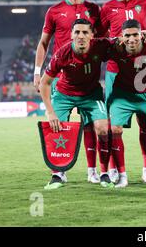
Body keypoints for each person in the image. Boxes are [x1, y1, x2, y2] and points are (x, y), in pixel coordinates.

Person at [33, 0, 103, 184]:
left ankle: (93, 171)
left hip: (87, 74)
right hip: (61, 73)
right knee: (58, 124)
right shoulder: (54, 11)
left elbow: (102, 40)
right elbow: (44, 43)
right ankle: (59, 171)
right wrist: (37, 72)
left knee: (91, 125)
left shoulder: (94, 10)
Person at [39, 19, 113, 189]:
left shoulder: (100, 46)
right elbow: (44, 83)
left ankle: (104, 173)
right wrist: (50, 112)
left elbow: (119, 41)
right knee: (55, 127)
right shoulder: (62, 53)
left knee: (103, 128)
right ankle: (57, 174)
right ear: (71, 34)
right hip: (64, 94)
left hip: (91, 94)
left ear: (92, 35)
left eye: (85, 32)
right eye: (77, 32)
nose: (81, 36)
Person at [100, 0, 146, 183]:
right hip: (116, 69)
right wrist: (113, 44)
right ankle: (114, 167)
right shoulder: (107, 8)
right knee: (112, 123)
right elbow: (100, 35)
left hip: (143, 69)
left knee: (145, 121)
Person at [107, 19, 146, 188]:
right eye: (127, 35)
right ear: (121, 36)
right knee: (115, 129)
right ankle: (122, 176)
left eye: (135, 34)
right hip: (122, 95)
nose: (132, 39)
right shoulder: (115, 46)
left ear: (142, 34)